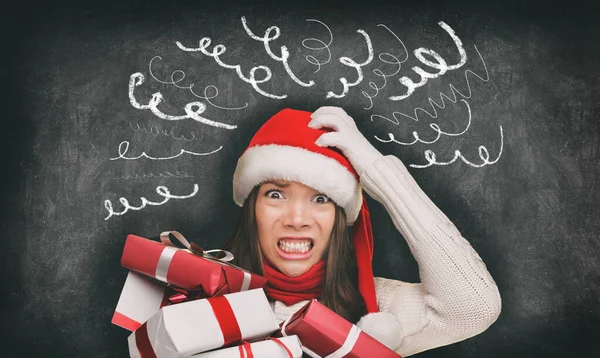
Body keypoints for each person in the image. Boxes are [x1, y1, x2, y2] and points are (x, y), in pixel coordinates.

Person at [221, 106, 501, 356]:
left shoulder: (379, 312)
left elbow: (475, 307)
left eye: (321, 199)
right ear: (252, 210)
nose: (297, 219)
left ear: (340, 219)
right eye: (275, 195)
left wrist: (377, 171)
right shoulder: (197, 301)